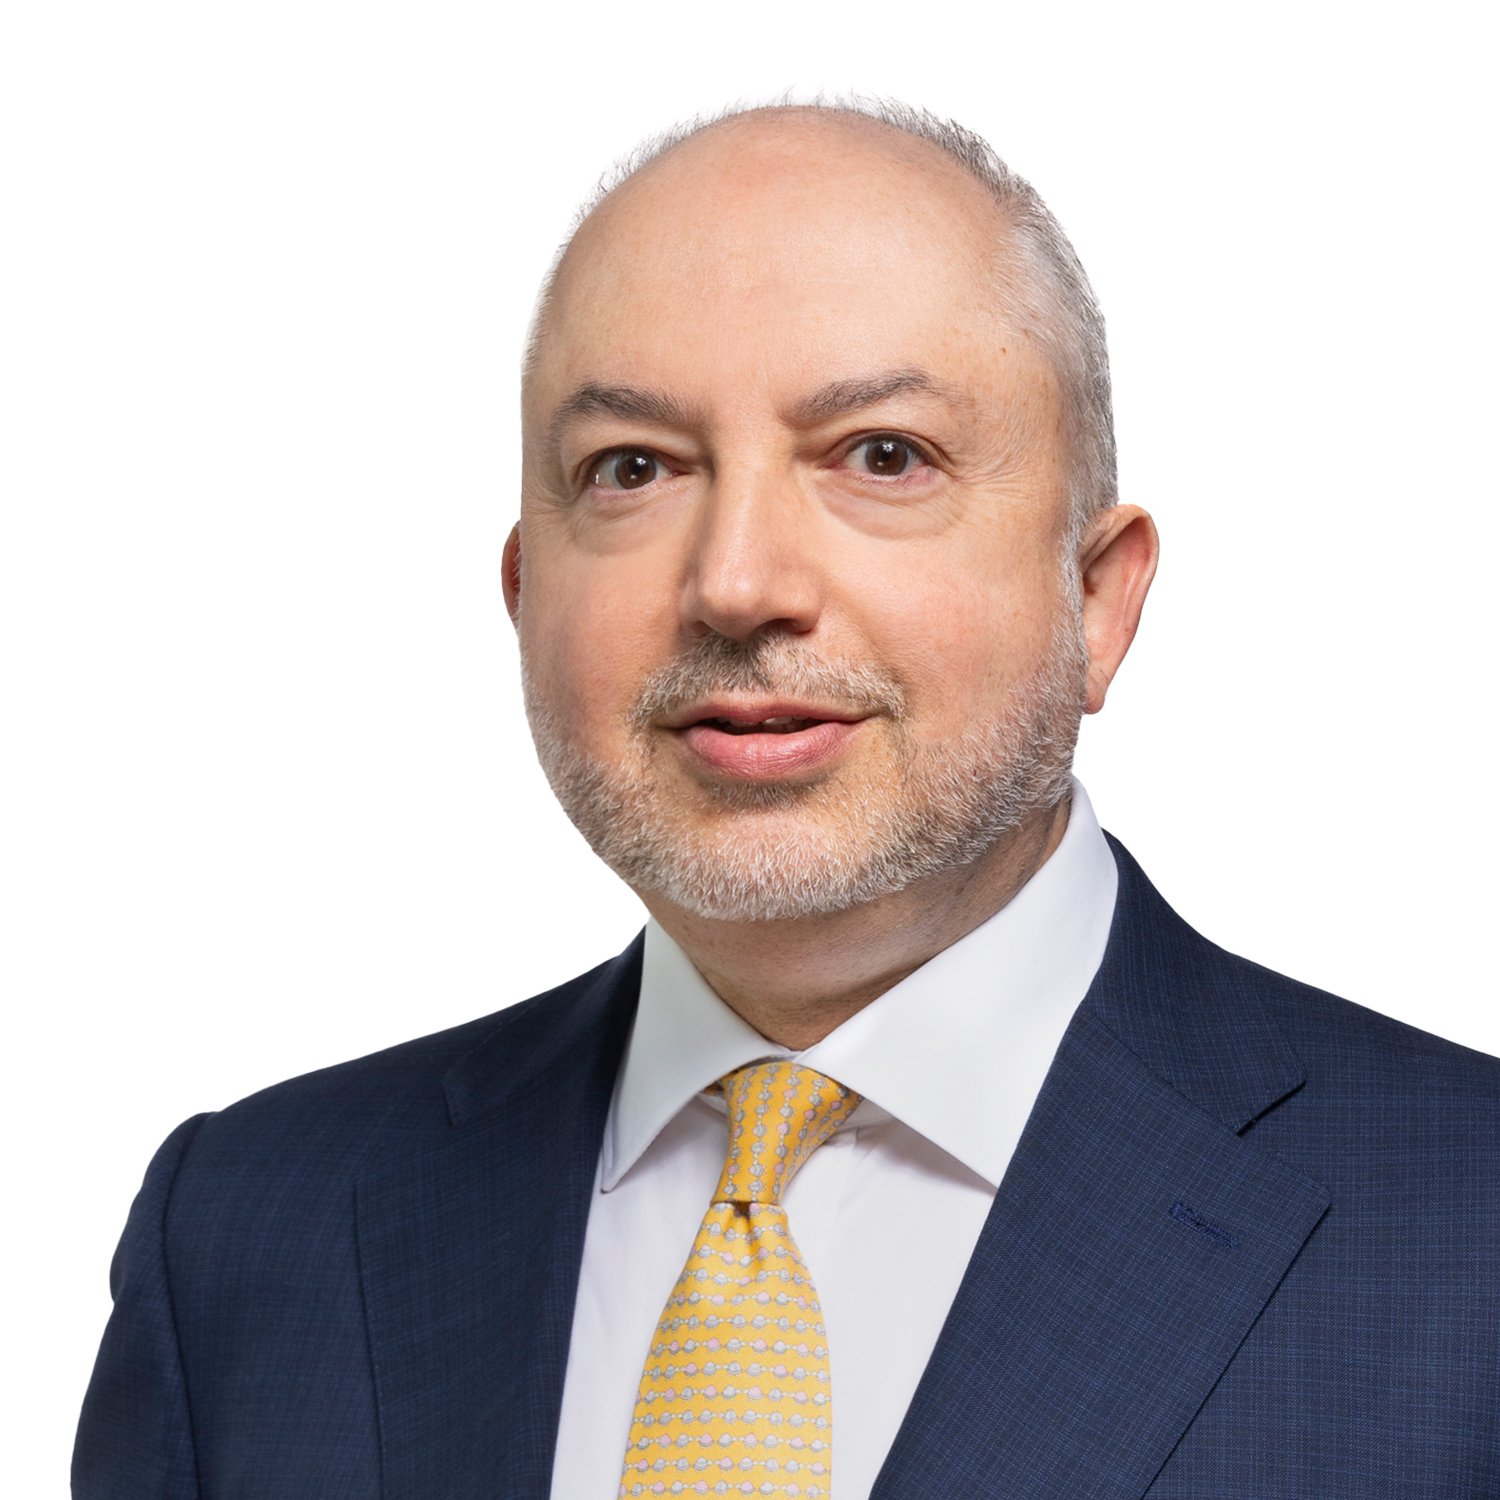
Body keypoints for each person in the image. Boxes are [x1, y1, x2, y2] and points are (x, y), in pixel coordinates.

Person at [74, 99, 1499, 1500]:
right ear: (524, 596)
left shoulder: (1468, 1234)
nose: (737, 581)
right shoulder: (248, 1235)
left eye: (883, 455)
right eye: (633, 470)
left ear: (1096, 600)